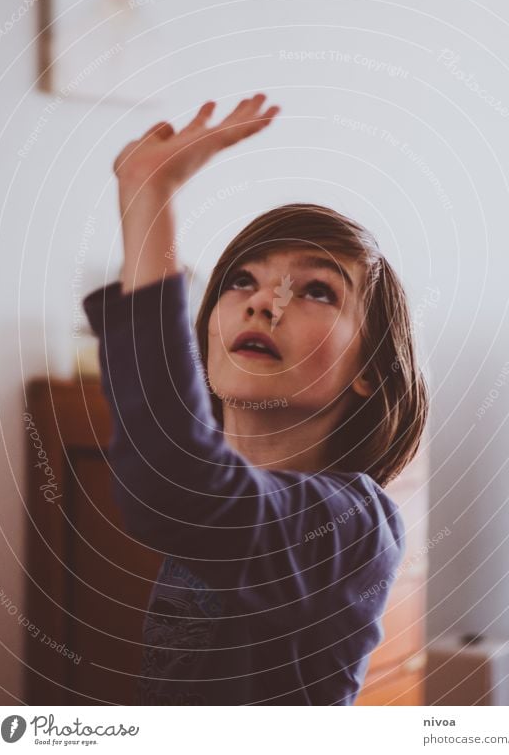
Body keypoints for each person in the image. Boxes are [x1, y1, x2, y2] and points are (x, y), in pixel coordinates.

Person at [82, 93, 429, 705]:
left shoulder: (355, 527)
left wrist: (147, 193)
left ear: (369, 372)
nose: (264, 301)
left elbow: (180, 484)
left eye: (317, 290)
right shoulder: (224, 497)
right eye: (243, 279)